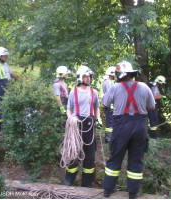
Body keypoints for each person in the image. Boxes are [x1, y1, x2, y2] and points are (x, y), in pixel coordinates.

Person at [102, 61, 155, 199]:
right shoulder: (144, 87)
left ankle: (108, 190)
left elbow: (105, 103)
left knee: (115, 157)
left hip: (121, 127)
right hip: (140, 126)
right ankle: (133, 193)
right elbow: (152, 107)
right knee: (136, 159)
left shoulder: (114, 88)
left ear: (119, 75)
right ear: (132, 73)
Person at [64, 65, 102, 187]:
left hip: (89, 124)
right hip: (76, 125)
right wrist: (71, 119)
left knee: (90, 155)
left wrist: (99, 118)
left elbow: (97, 107)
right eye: (86, 76)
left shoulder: (93, 92)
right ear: (80, 77)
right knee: (73, 153)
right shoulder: (73, 92)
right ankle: (69, 180)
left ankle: (87, 183)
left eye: (90, 77)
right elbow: (69, 109)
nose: (88, 79)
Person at [102, 66, 116, 143]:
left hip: (109, 104)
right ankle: (108, 138)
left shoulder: (108, 81)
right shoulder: (108, 82)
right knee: (110, 121)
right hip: (109, 105)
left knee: (111, 121)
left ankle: (110, 137)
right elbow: (110, 93)